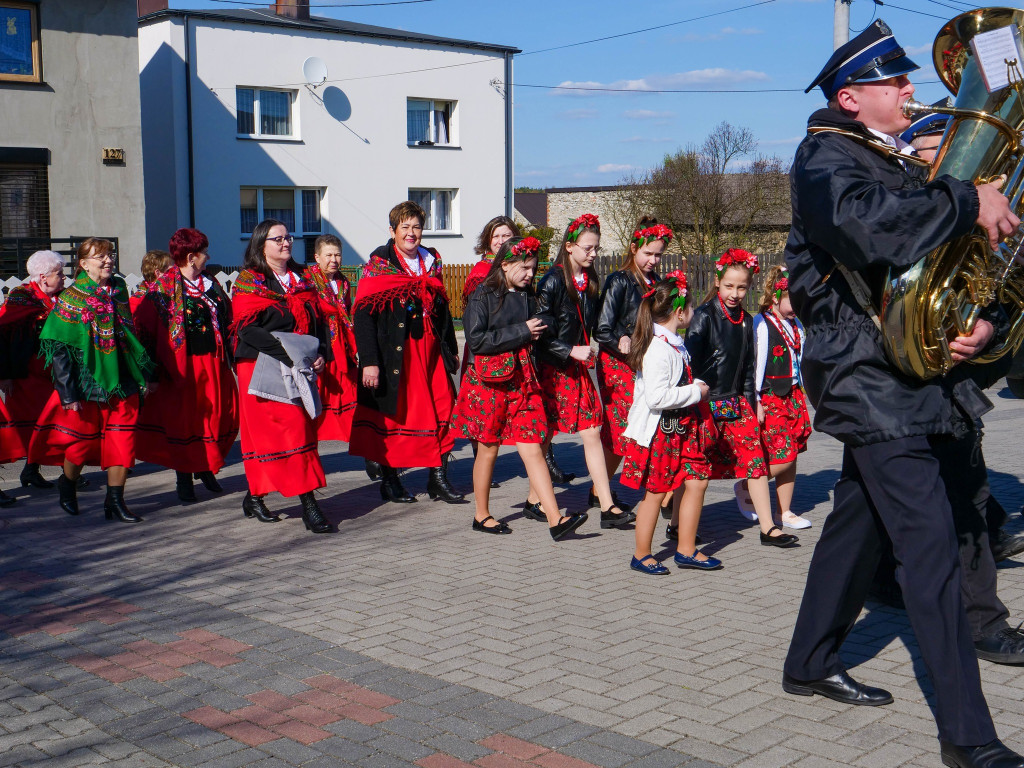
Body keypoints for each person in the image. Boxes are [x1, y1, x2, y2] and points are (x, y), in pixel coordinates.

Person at [782, 20, 1024, 768]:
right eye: (895, 81)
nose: (912, 89)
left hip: (910, 376)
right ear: (851, 97)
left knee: (857, 523)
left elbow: (960, 256)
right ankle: (970, 739)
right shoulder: (824, 157)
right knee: (931, 550)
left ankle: (809, 661)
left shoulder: (897, 158)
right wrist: (964, 196)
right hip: (864, 377)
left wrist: (984, 323)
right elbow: (869, 229)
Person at [452, 236, 587, 540]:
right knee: (488, 449)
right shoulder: (482, 294)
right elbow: (477, 341)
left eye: (533, 268)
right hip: (489, 382)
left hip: (524, 378)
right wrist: (523, 331)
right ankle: (481, 514)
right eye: (525, 268)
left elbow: (544, 327)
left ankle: (555, 519)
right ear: (505, 264)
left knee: (533, 445)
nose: (530, 274)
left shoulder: (528, 295)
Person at [29, 238, 156, 522]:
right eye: (101, 256)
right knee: (80, 446)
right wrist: (67, 393)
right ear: (84, 264)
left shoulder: (119, 289)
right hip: (86, 381)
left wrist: (142, 374)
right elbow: (59, 347)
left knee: (123, 440)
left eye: (110, 255)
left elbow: (129, 334)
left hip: (123, 378)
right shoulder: (71, 297)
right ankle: (68, 484)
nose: (108, 260)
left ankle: (115, 501)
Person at [682, 249, 798, 548]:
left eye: (742, 287)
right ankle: (677, 524)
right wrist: (693, 401)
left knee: (755, 461)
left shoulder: (747, 321)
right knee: (695, 468)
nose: (735, 294)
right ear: (717, 282)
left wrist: (751, 402)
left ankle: (768, 527)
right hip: (705, 403)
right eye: (729, 286)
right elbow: (689, 364)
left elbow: (748, 368)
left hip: (736, 403)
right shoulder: (704, 317)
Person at [350, 201, 462, 504]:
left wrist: (451, 349)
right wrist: (370, 362)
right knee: (396, 416)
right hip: (396, 354)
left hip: (431, 350)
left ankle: (438, 478)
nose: (411, 233)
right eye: (405, 227)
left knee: (443, 409)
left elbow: (442, 309)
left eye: (417, 227)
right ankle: (390, 480)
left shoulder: (432, 261)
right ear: (393, 231)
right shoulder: (379, 264)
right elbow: (363, 315)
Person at [231, 219, 333, 534]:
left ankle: (254, 496)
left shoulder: (303, 279)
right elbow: (247, 330)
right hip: (261, 365)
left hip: (298, 364)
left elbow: (319, 322)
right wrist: (290, 352)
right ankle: (309, 506)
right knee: (288, 432)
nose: (286, 242)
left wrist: (319, 354)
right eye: (277, 239)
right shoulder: (249, 281)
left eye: (288, 237)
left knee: (298, 431)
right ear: (261, 245)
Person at [534, 213, 629, 529]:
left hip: (576, 371)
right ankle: (535, 499)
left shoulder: (591, 282)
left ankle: (606, 505)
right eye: (588, 248)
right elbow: (539, 334)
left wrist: (622, 334)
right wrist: (569, 349)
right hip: (553, 369)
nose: (593, 254)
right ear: (569, 246)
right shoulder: (551, 281)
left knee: (590, 431)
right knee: (546, 435)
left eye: (596, 248)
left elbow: (601, 322)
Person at [620, 273, 716, 574]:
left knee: (697, 480)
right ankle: (641, 554)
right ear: (679, 312)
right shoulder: (658, 348)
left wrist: (693, 386)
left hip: (682, 429)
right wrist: (695, 392)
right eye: (690, 306)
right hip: (661, 433)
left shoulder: (673, 343)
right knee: (656, 492)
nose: (693, 311)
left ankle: (686, 550)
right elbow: (657, 398)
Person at [134, 228, 238, 503]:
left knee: (217, 417)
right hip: (184, 367)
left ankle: (205, 467)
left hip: (216, 363)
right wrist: (152, 373)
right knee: (187, 422)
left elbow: (227, 317)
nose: (208, 257)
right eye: (204, 252)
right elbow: (145, 332)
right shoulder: (162, 290)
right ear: (191, 257)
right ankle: (184, 477)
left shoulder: (210, 282)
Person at [594, 216, 670, 517]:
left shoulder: (657, 283)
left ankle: (598, 489)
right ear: (634, 248)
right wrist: (621, 340)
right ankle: (657, 493)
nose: (653, 260)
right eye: (648, 253)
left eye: (658, 255)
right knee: (628, 428)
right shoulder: (620, 281)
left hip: (644, 363)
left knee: (627, 429)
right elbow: (602, 329)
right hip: (618, 364)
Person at [0, 250, 66, 503]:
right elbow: (2, 338)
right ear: (43, 277)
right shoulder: (21, 298)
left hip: (54, 373)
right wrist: (5, 375)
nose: (63, 277)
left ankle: (36, 470)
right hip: (26, 374)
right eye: (59, 273)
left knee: (56, 420)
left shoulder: (60, 298)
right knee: (34, 423)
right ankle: (59, 472)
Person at [750, 266, 812, 529]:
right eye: (793, 299)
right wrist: (755, 399)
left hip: (793, 395)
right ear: (776, 297)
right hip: (771, 395)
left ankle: (784, 511)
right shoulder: (762, 323)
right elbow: (758, 364)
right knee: (782, 455)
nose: (798, 305)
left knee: (793, 452)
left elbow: (801, 358)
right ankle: (747, 486)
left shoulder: (795, 323)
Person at [303, 234, 358, 444]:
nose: (334, 260)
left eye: (337, 255)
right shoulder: (307, 282)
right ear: (317, 257)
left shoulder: (343, 282)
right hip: (320, 344)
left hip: (342, 345)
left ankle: (357, 443)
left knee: (349, 395)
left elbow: (348, 312)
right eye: (328, 255)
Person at [130, 250, 173, 314]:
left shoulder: (170, 293)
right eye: (171, 272)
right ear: (158, 273)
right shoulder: (138, 301)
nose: (175, 275)